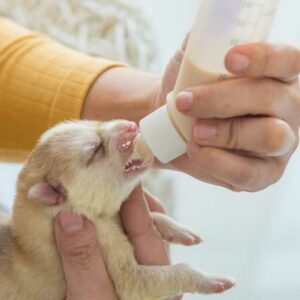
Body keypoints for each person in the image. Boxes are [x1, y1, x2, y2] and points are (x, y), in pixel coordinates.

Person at [0, 17, 299, 299]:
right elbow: (131, 279)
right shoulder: (53, 221)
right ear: (54, 194)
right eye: (96, 151)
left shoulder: (73, 209)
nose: (126, 125)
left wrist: (160, 106)